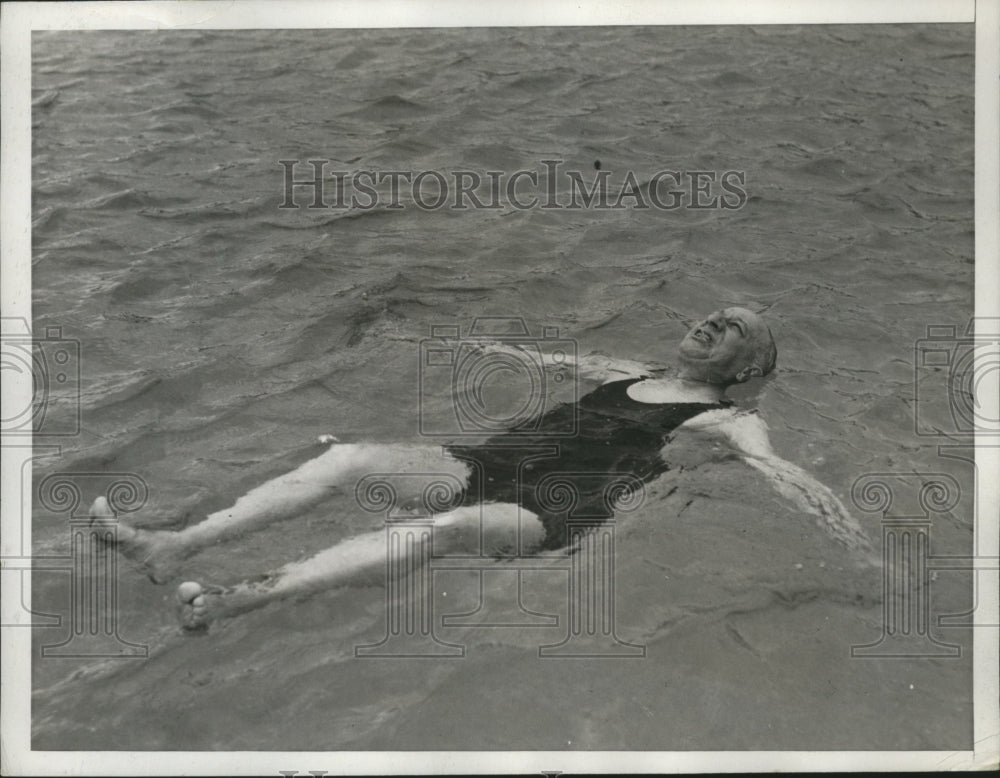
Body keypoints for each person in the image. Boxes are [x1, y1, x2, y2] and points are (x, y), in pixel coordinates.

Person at [90, 307, 874, 630]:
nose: (710, 322)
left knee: (445, 529)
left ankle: (238, 598)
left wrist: (853, 539)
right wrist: (455, 341)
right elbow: (540, 359)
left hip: (554, 511)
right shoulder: (625, 371)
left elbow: (784, 474)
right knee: (351, 457)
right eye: (711, 314)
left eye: (731, 328)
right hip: (483, 463)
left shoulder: (728, 418)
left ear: (746, 369)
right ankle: (174, 545)